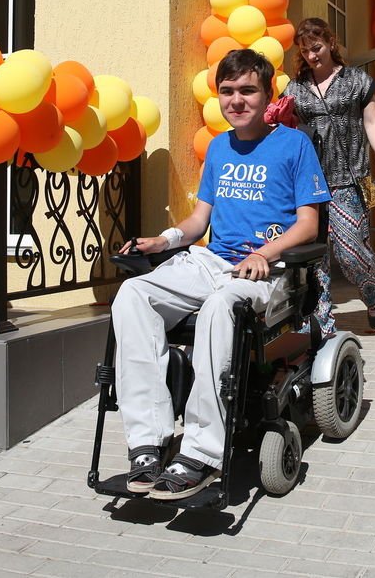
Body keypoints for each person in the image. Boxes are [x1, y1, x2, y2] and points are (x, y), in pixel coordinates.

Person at [112, 48, 330, 500]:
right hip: (213, 261)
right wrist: (165, 240)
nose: (236, 100)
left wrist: (265, 254)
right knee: (132, 294)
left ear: (268, 95)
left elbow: (308, 224)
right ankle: (148, 442)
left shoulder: (294, 145)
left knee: (220, 306)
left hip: (271, 271)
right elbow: (199, 221)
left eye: (247, 90)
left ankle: (201, 453)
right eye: (227, 91)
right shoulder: (218, 147)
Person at [284, 17, 375, 335]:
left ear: (331, 43)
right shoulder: (295, 88)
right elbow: (287, 129)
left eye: (317, 48)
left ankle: (373, 294)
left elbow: (371, 121)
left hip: (348, 178)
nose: (312, 56)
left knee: (350, 250)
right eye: (305, 51)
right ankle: (322, 322)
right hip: (309, 182)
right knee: (315, 256)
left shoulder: (356, 80)